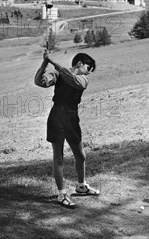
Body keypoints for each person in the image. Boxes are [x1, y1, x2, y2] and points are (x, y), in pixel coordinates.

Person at [34, 50, 100, 208]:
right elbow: (39, 81)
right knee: (58, 157)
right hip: (57, 116)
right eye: (88, 68)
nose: (88, 73)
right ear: (80, 64)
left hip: (71, 117)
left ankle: (81, 185)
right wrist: (45, 63)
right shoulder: (58, 74)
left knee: (80, 155)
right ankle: (62, 193)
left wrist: (53, 61)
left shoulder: (81, 79)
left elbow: (74, 80)